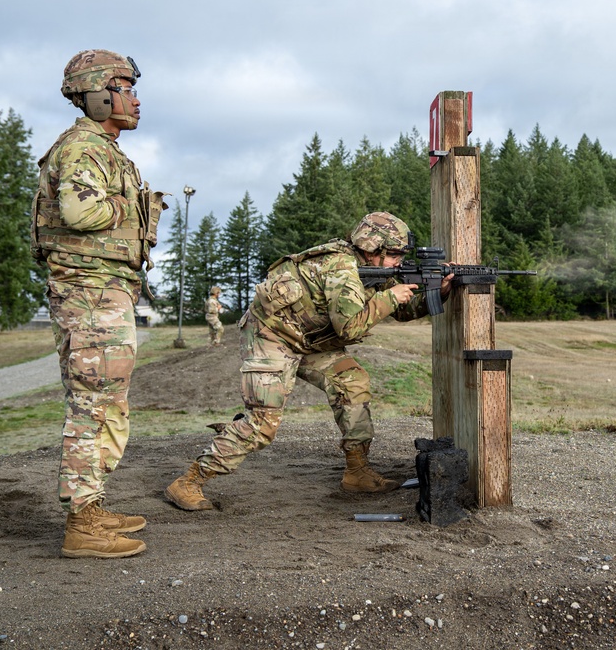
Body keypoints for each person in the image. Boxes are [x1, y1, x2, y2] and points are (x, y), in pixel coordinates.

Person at [165, 212, 453, 510]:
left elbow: (400, 311)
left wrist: (438, 291)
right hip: (271, 336)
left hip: (309, 338)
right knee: (264, 423)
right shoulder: (341, 268)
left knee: (352, 383)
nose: (398, 262)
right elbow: (351, 326)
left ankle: (357, 473)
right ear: (371, 248)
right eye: (393, 254)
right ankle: (189, 482)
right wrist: (391, 297)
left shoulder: (367, 267)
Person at [32, 49, 166, 558]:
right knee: (92, 403)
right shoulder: (85, 147)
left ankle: (90, 506)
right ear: (96, 94)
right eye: (125, 86)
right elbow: (78, 209)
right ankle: (81, 524)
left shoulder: (103, 148)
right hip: (89, 292)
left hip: (102, 290)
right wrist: (127, 205)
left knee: (106, 401)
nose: (134, 98)